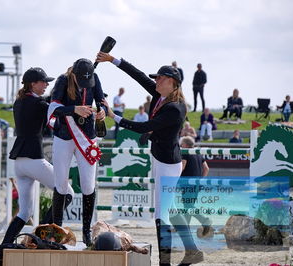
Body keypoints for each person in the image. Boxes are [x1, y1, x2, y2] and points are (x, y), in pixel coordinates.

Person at [97, 52, 203, 265]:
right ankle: (192, 251)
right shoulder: (160, 95)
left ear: (172, 83)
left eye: (160, 78)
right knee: (168, 211)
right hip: (160, 158)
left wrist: (113, 116)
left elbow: (144, 126)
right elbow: (138, 76)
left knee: (161, 216)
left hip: (167, 163)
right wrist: (114, 60)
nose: (156, 81)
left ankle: (166, 262)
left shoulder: (175, 108)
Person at [0, 67, 75, 265]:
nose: (46, 84)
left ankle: (1, 253)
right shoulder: (38, 102)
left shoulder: (19, 101)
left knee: (24, 212)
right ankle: (42, 237)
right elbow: (56, 103)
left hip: (19, 162)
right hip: (33, 158)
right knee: (67, 193)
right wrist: (66, 81)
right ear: (33, 83)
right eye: (43, 82)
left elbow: (51, 103)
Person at [47, 58, 106, 246]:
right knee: (61, 182)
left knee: (88, 184)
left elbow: (101, 100)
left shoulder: (94, 77)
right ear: (74, 75)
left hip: (87, 136)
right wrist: (75, 109)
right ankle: (57, 228)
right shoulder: (62, 80)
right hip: (65, 135)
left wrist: (102, 111)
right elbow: (54, 107)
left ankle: (86, 230)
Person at [179, 136, 211, 234]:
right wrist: (201, 180)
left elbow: (182, 166)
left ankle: (204, 221)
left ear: (185, 145)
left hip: (187, 183)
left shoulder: (185, 152)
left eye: (181, 144)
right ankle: (185, 228)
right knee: (189, 206)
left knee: (188, 206)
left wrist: (175, 178)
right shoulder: (198, 153)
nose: (180, 146)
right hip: (197, 184)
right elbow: (206, 168)